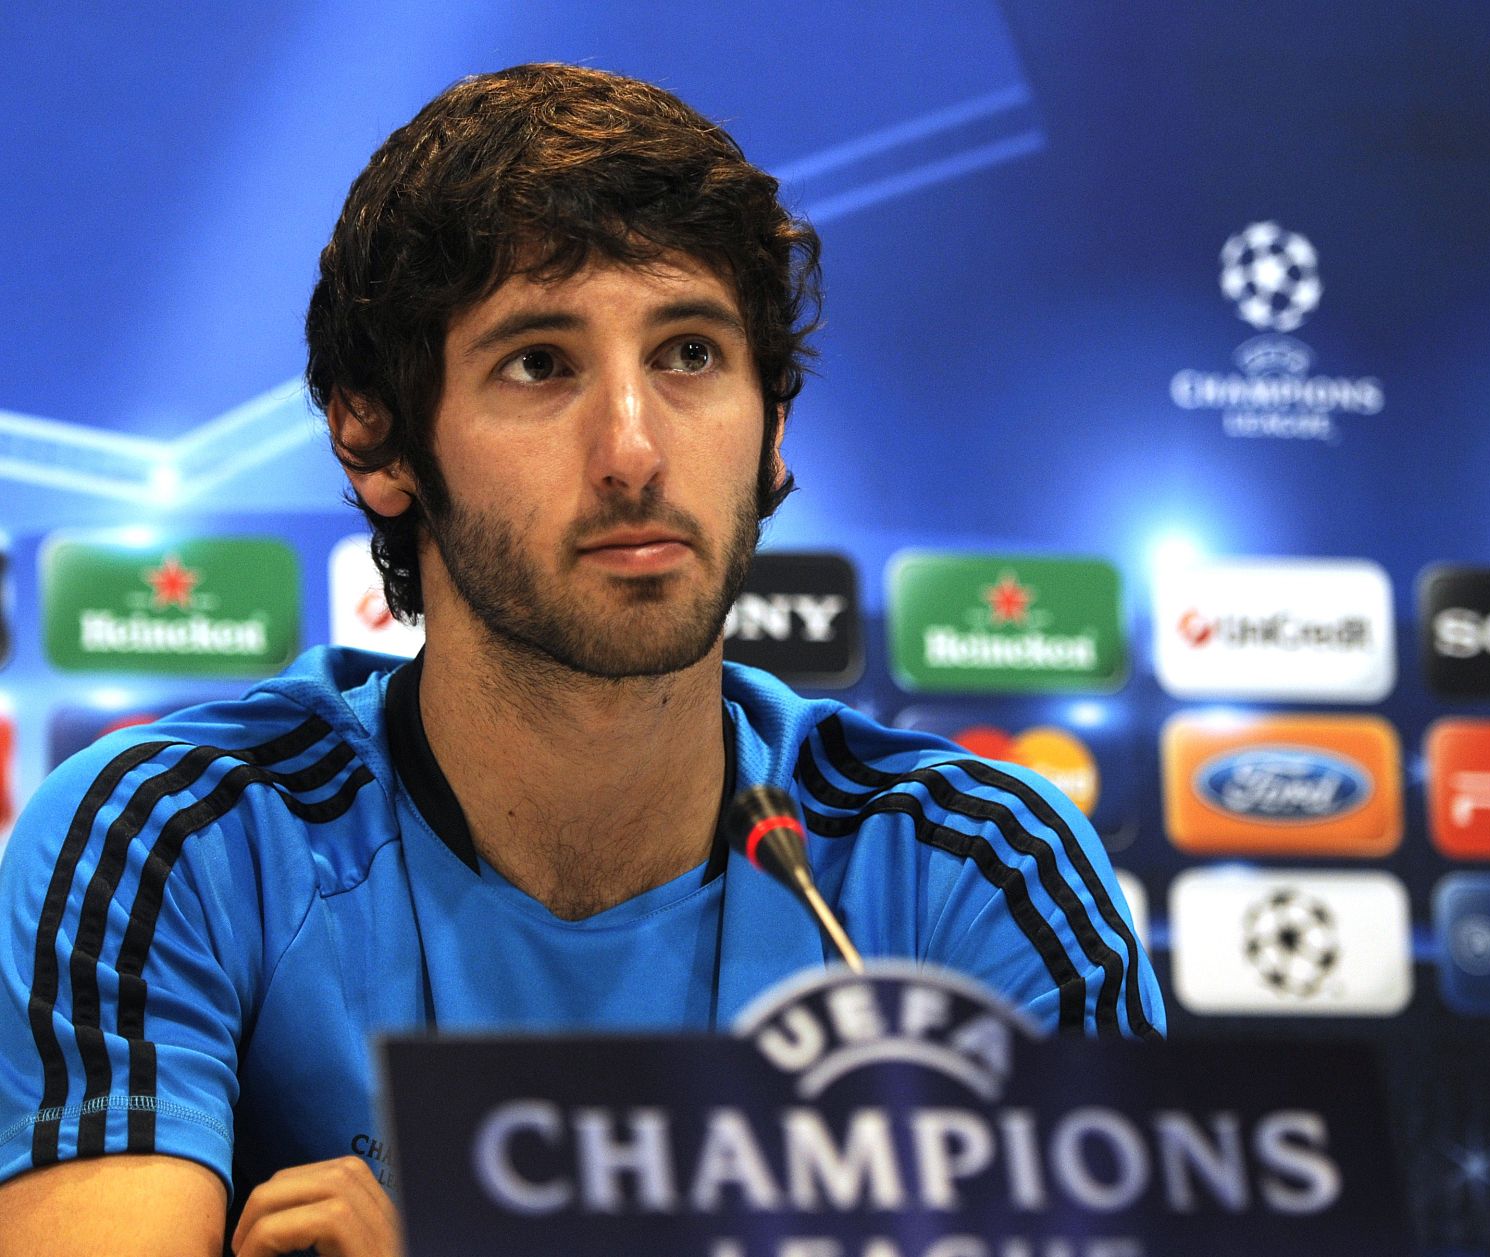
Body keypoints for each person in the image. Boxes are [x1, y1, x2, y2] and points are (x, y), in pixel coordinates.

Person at [0, 63, 1163, 1256]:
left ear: (774, 428)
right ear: (373, 437)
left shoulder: (972, 867)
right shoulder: (176, 838)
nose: (633, 450)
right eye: (540, 364)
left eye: (690, 354)